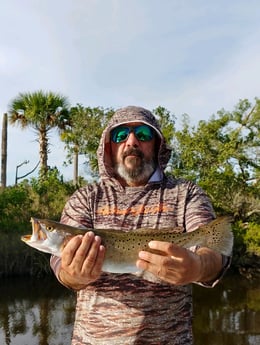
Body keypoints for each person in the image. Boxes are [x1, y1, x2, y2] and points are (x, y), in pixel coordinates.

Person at [50, 106, 231, 345]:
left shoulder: (186, 193)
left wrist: (197, 267)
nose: (132, 141)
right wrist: (74, 274)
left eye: (143, 134)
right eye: (120, 135)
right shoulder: (85, 198)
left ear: (157, 145)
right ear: (109, 146)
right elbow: (62, 268)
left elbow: (216, 253)